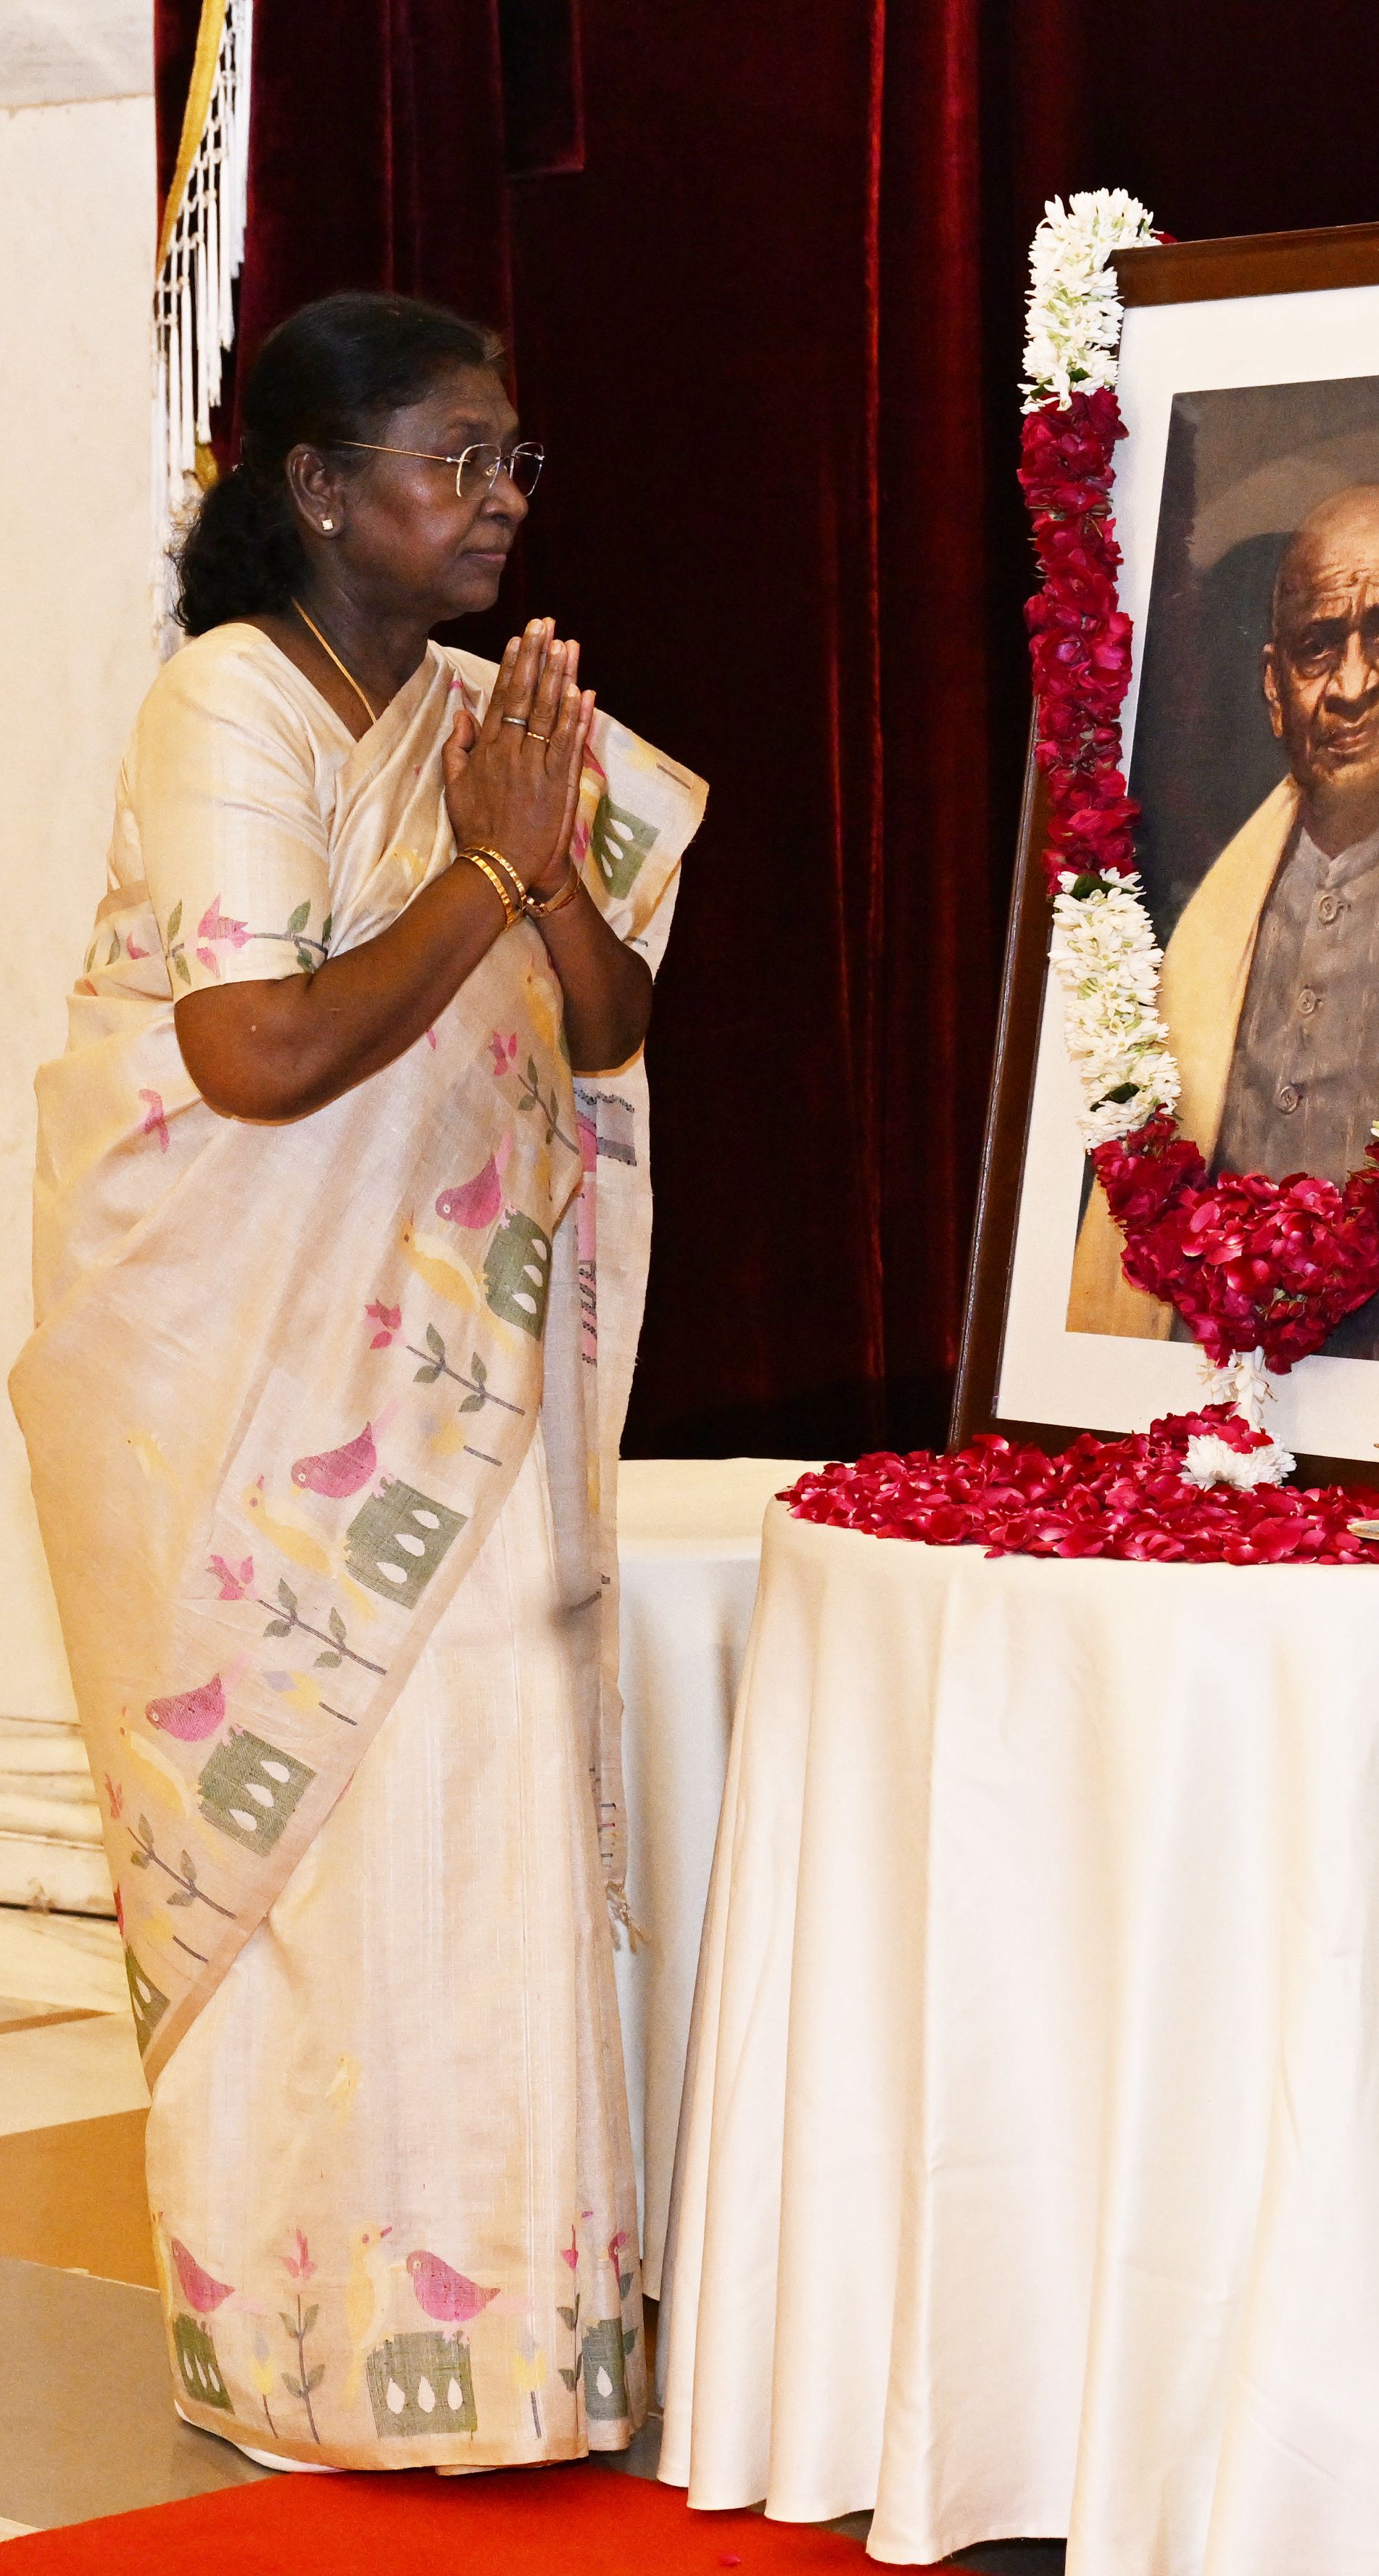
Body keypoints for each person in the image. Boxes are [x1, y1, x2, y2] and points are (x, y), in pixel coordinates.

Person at [9, 292, 704, 2470]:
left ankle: (517, 2344)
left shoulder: (487, 718)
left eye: (513, 461)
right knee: (322, 1840)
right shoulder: (226, 703)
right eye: (453, 460)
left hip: (453, 1368)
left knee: (488, 1787)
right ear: (316, 487)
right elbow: (255, 1049)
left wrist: (541, 857)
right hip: (263, 1387)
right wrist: (488, 861)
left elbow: (601, 1024)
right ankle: (313, 2351)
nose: (499, 499)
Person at [1068, 482, 1379, 1369]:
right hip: (1215, 1394)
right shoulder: (1212, 929)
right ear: (1275, 688)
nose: (1350, 686)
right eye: (1317, 649)